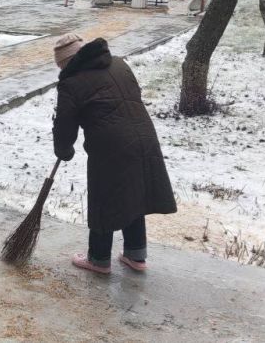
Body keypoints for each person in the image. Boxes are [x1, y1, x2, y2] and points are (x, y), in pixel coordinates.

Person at [51, 34, 177, 274]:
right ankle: (136, 255)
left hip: (110, 145)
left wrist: (63, 149)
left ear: (67, 63)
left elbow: (65, 124)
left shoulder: (71, 82)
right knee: (134, 192)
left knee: (104, 197)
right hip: (144, 136)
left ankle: (98, 259)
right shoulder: (119, 63)